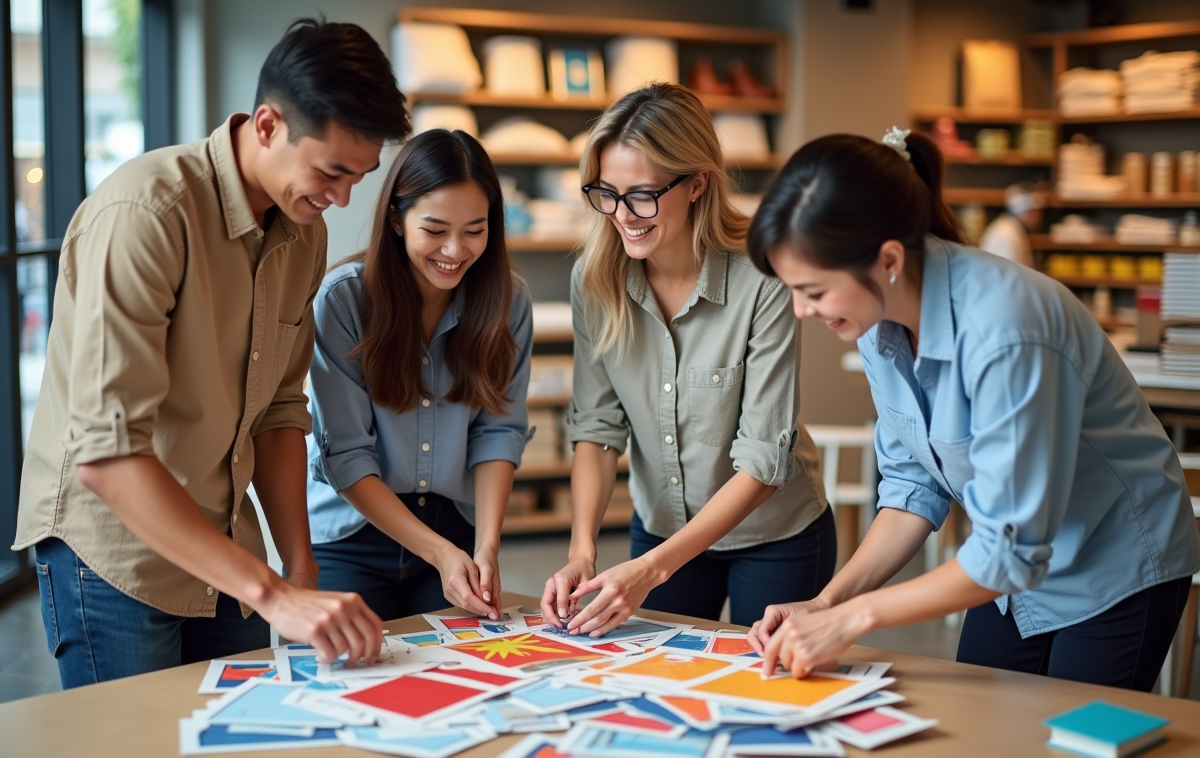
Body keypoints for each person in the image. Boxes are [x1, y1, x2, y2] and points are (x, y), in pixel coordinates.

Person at [14, 18, 411, 688]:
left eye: (360, 178)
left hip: (225, 539)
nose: (342, 199)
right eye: (331, 172)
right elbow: (107, 456)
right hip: (114, 551)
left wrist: (299, 565)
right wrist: (275, 593)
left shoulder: (303, 230)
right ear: (266, 125)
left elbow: (280, 409)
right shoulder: (146, 214)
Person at [744, 128, 1200, 691]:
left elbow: (1011, 549)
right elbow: (914, 487)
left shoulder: (1007, 325)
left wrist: (853, 619)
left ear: (887, 259)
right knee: (984, 727)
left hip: (1113, 563)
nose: (800, 310)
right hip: (1006, 566)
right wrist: (826, 601)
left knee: (1068, 742)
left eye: (813, 290)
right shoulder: (872, 317)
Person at [541, 84, 835, 636]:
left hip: (775, 537)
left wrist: (651, 571)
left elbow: (763, 460)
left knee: (771, 692)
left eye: (643, 195)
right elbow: (597, 428)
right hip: (661, 528)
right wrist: (583, 550)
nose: (623, 215)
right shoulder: (595, 279)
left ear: (698, 183)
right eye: (607, 193)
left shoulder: (763, 272)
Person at [305, 128, 532, 622]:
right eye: (435, 230)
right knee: (349, 686)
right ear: (395, 218)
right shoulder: (342, 300)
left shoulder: (508, 301)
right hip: (352, 534)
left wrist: (487, 547)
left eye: (475, 230)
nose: (455, 250)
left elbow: (498, 432)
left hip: (456, 529)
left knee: (463, 680)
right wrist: (439, 552)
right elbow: (345, 455)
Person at [977, 181, 1047, 267]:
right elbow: (1010, 277)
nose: (1040, 217)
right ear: (1027, 211)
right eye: (1037, 212)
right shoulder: (1006, 234)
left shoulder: (1012, 228)